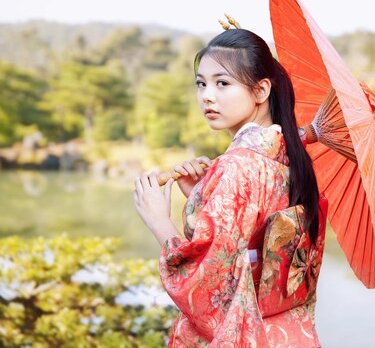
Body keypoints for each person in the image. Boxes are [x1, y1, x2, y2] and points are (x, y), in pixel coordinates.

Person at [132, 28, 326, 347]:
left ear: (261, 90)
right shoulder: (290, 158)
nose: (207, 95)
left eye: (222, 83)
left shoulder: (237, 164)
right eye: (201, 83)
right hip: (289, 334)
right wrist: (202, 194)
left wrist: (159, 221)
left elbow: (209, 286)